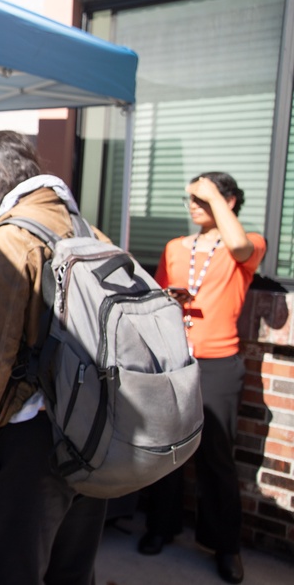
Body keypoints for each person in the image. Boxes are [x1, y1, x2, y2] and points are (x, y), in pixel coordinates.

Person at [0, 130, 109, 585]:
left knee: (8, 570)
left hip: (31, 439)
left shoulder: (13, 237)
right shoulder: (89, 230)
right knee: (73, 571)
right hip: (92, 432)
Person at [137, 172, 266, 584]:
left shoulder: (245, 244)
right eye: (189, 197)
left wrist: (213, 194)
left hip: (218, 364)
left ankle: (225, 546)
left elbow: (241, 245)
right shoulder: (176, 247)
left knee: (216, 457)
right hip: (175, 358)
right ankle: (161, 526)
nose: (192, 204)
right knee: (168, 450)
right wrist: (169, 299)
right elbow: (155, 296)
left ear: (227, 201)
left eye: (202, 197)